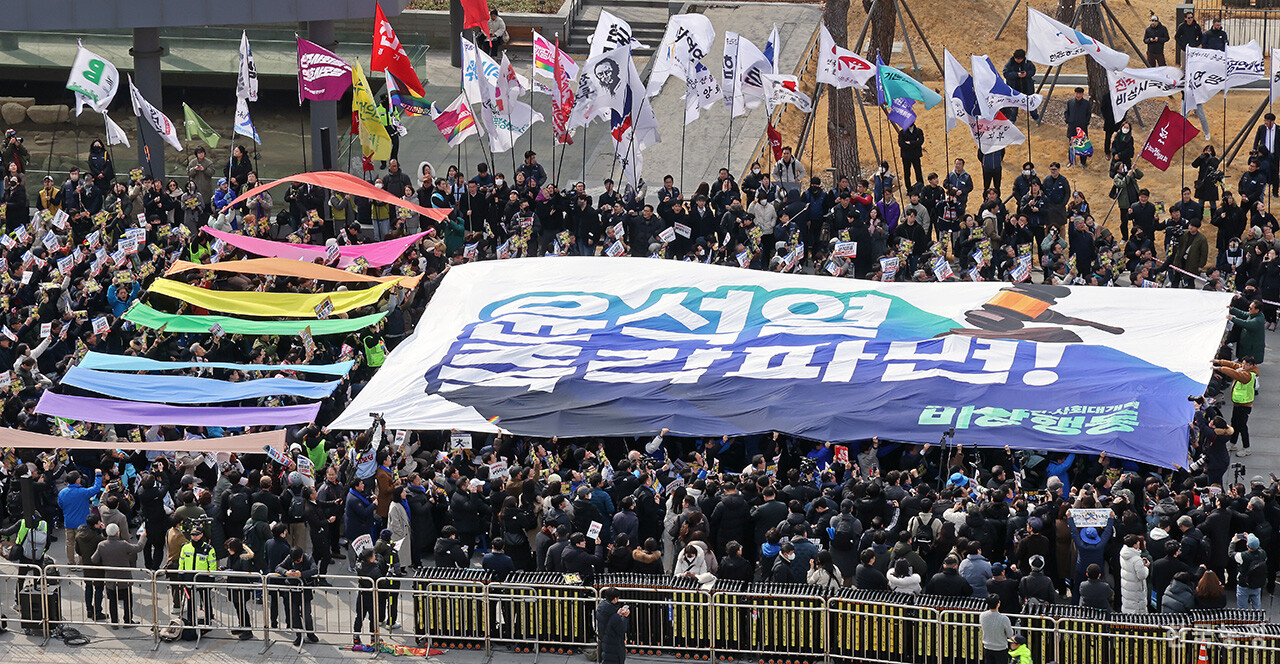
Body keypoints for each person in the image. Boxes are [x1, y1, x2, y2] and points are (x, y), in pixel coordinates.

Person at [1212, 356, 1258, 457]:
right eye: (1243, 363)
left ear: (1251, 366)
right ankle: (1232, 444)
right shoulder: (1244, 369)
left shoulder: (1247, 375)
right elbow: (1233, 365)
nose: (1243, 365)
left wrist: (1219, 368)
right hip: (1238, 403)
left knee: (1242, 427)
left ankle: (1247, 448)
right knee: (1235, 424)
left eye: (1246, 364)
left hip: (1244, 405)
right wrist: (1219, 361)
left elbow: (1234, 373)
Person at [275, 546, 319, 646]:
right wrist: (286, 572)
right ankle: (299, 636)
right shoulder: (289, 558)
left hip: (305, 591)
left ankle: (310, 633)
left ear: (302, 556)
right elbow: (278, 568)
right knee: (294, 615)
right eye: (295, 561)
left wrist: (301, 574)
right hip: (292, 591)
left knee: (306, 614)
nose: (297, 562)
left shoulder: (308, 558)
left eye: (298, 560)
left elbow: (315, 570)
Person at [1232, 533, 1267, 609]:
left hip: (1243, 585)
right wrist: (1251, 539)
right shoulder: (1263, 554)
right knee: (1256, 607)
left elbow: (1231, 553)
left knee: (1242, 609)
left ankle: (1244, 620)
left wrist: (1233, 542)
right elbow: (1258, 548)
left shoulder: (1243, 556)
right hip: (1256, 584)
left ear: (1247, 546)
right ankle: (1256, 619)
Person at [1002, 50, 1038, 123]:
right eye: (1017, 58)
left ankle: (1036, 117)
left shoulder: (1027, 62)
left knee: (1030, 102)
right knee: (1013, 105)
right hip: (1014, 88)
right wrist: (1016, 75)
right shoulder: (1010, 63)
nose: (1018, 60)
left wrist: (1026, 74)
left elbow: (1033, 70)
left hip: (1027, 87)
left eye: (1020, 59)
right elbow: (1006, 74)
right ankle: (1012, 119)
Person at [979, 595, 1014, 664]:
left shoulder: (982, 615)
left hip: (987, 647)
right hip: (1000, 648)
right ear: (998, 604)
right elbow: (1010, 634)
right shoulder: (1004, 618)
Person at [1064, 88, 1091, 168]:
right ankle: (1071, 161)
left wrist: (1085, 122)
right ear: (1075, 93)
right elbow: (1066, 112)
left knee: (1083, 145)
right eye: (1077, 93)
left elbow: (1088, 114)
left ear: (1082, 94)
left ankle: (1083, 162)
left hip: (1082, 128)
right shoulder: (1070, 102)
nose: (1078, 95)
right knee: (1071, 145)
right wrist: (1069, 120)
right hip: (1072, 127)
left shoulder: (1086, 103)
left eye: (1080, 94)